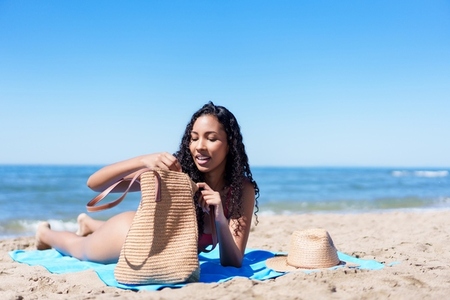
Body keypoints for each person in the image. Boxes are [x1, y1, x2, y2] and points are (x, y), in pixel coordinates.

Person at [36, 102, 259, 268]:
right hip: (131, 237)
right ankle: (45, 234)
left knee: (89, 240)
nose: (199, 146)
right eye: (194, 137)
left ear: (230, 144)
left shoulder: (241, 190)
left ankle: (88, 224)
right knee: (80, 249)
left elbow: (233, 261)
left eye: (211, 138)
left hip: (166, 256)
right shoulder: (175, 173)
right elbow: (94, 183)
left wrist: (219, 217)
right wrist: (142, 160)